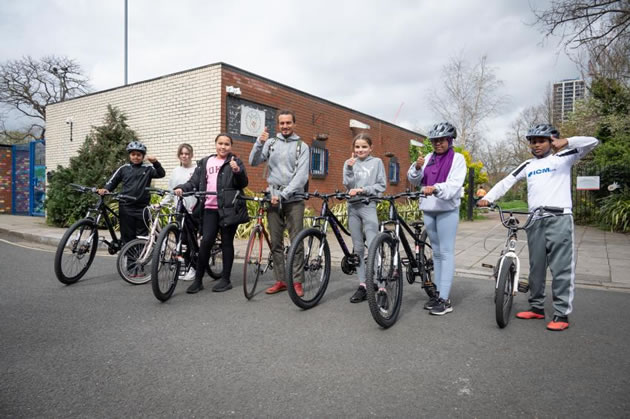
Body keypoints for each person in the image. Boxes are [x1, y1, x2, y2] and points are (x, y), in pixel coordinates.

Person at [478, 124, 598, 331]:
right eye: (533, 141)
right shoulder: (528, 165)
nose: (537, 145)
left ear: (552, 141)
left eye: (541, 140)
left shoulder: (564, 158)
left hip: (559, 218)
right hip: (535, 220)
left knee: (561, 269)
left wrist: (566, 142)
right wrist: (487, 198)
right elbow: (507, 182)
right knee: (537, 267)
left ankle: (561, 314)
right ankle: (536, 307)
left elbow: (592, 142)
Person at [174, 133, 249, 294]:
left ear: (231, 146)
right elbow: (194, 182)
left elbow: (243, 183)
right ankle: (198, 280)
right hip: (209, 208)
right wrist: (182, 188)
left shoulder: (234, 161)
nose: (223, 147)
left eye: (227, 144)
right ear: (215, 144)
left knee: (227, 243)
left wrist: (237, 171)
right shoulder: (205, 162)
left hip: (229, 208)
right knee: (206, 241)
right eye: (220, 143)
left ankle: (226, 280)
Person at [407, 122, 467, 316]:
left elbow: (454, 185)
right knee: (438, 254)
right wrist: (416, 168)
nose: (438, 144)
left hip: (446, 209)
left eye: (441, 140)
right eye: (434, 141)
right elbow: (414, 180)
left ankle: (445, 299)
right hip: (428, 209)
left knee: (447, 252)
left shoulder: (457, 159)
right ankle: (438, 294)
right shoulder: (427, 158)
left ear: (449, 140)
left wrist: (437, 188)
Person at [249, 110, 309, 297]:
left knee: (296, 242)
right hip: (273, 199)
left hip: (294, 200)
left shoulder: (302, 146)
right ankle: (281, 280)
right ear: (278, 125)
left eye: (288, 123)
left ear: (294, 124)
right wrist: (259, 143)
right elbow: (253, 161)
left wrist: (283, 194)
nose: (285, 126)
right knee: (276, 242)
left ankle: (297, 281)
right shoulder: (271, 143)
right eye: (282, 123)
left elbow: (301, 177)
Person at [343, 133, 386, 303]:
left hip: (368, 206)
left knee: (373, 245)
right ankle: (363, 284)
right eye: (357, 147)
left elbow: (381, 186)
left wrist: (362, 190)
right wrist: (349, 169)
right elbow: (347, 185)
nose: (360, 150)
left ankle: (380, 283)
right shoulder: (348, 163)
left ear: (370, 148)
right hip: (352, 207)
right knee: (358, 248)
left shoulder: (376, 162)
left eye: (364, 147)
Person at [98, 141, 165, 246]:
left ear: (143, 156)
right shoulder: (124, 168)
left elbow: (161, 174)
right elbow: (112, 181)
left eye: (139, 155)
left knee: (141, 236)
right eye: (133, 154)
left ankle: (138, 259)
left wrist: (155, 162)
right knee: (127, 236)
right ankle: (129, 261)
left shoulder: (148, 168)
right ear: (129, 155)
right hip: (126, 206)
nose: (136, 157)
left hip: (142, 208)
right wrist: (106, 189)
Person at [161, 143, 197, 281]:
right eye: (182, 153)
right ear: (179, 155)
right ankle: (184, 265)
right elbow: (171, 191)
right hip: (179, 210)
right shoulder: (175, 171)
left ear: (191, 155)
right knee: (181, 240)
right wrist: (161, 204)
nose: (184, 156)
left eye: (187, 153)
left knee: (191, 241)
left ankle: (193, 267)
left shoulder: (195, 170)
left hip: (193, 210)